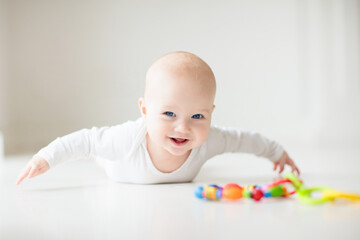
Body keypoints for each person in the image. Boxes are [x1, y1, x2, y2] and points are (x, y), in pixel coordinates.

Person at [16, 51, 300, 185]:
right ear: (144, 110)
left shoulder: (209, 140)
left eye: (197, 115)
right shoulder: (128, 138)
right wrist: (45, 158)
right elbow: (85, 139)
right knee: (98, 150)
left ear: (211, 114)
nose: (183, 127)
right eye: (169, 114)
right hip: (118, 164)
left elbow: (242, 140)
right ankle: (99, 158)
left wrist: (277, 152)